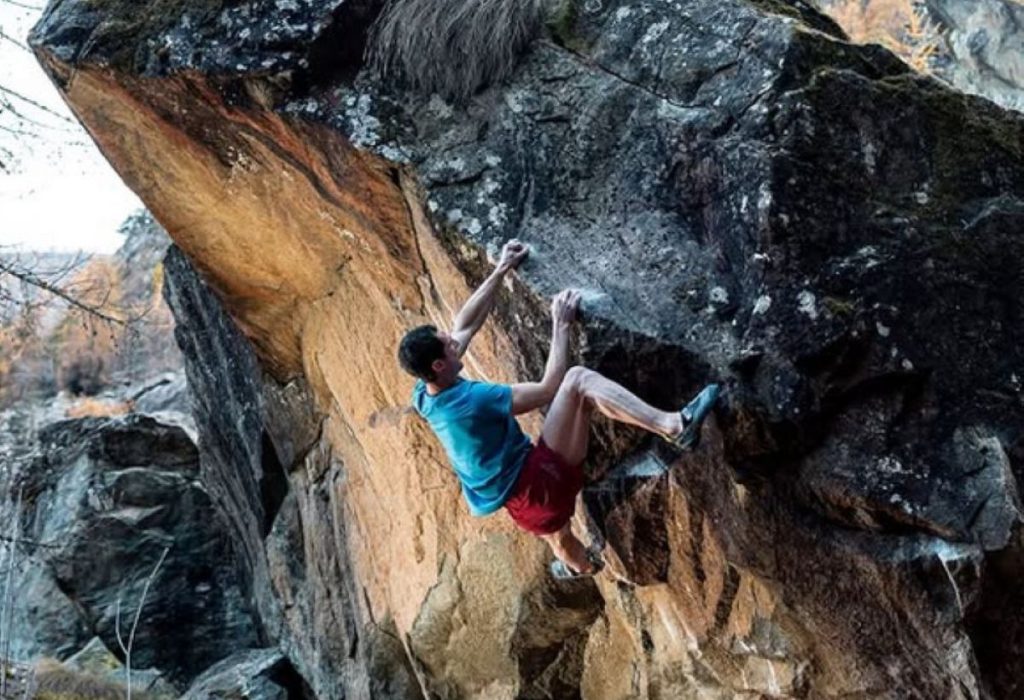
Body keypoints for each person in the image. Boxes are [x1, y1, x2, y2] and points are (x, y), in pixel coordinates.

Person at [398, 239, 720, 579]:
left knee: (557, 531)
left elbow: (464, 325)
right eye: (448, 346)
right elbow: (549, 388)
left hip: (524, 508)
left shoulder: (426, 392)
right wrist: (561, 325)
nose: (453, 341)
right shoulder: (471, 403)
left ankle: (579, 566)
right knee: (578, 381)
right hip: (538, 484)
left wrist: (501, 269)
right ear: (437, 365)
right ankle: (674, 426)